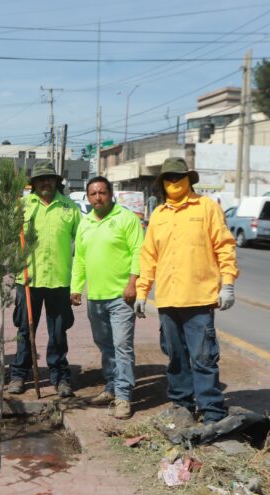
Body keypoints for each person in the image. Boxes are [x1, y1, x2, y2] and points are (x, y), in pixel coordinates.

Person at [134, 157, 238, 424]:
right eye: (168, 178)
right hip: (168, 301)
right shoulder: (158, 215)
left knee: (203, 358)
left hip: (199, 299)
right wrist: (142, 292)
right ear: (162, 183)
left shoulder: (206, 208)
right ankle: (182, 407)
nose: (173, 182)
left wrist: (227, 283)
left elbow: (224, 246)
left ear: (189, 179)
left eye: (178, 177)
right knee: (176, 358)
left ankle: (212, 411)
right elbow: (149, 257)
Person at [70, 176, 144, 420]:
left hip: (121, 297)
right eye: (93, 194)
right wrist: (76, 287)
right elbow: (79, 258)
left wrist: (133, 283)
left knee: (122, 346)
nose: (98, 197)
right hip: (96, 298)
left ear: (111, 194)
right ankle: (112, 387)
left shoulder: (126, 219)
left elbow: (138, 252)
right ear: (88, 197)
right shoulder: (85, 223)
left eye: (102, 192)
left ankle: (123, 396)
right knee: (105, 346)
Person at [10, 161, 82, 398]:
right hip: (28, 280)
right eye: (40, 179)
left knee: (58, 333)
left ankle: (60, 377)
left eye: (49, 179)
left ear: (56, 181)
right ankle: (19, 374)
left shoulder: (69, 208)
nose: (45, 183)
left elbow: (81, 246)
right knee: (24, 330)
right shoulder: (21, 207)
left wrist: (78, 282)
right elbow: (8, 239)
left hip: (59, 281)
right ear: (33, 184)